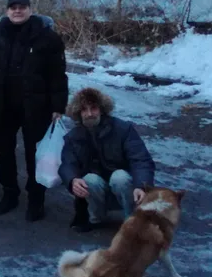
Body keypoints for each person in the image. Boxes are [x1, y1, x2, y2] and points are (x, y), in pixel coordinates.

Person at [0, 0, 68, 221]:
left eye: (22, 7)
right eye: (13, 7)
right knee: (5, 153)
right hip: (4, 105)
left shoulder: (47, 37)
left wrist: (58, 105)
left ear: (30, 9)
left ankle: (36, 200)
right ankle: (9, 194)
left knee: (35, 154)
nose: (17, 11)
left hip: (36, 106)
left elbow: (58, 76)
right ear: (7, 10)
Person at [59, 87, 156, 233]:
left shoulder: (123, 129)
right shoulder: (73, 137)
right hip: (96, 188)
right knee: (89, 179)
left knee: (120, 177)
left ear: (102, 109)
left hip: (124, 186)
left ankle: (134, 218)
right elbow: (67, 163)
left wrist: (141, 185)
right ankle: (96, 218)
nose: (90, 114)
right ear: (78, 113)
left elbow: (141, 160)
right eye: (84, 110)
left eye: (94, 108)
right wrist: (72, 179)